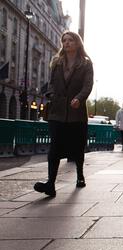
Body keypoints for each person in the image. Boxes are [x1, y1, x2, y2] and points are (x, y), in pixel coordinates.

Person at [34, 31, 94, 197]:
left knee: (78, 146)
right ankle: (50, 185)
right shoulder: (57, 62)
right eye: (64, 40)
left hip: (77, 113)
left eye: (70, 40)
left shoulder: (86, 64)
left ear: (77, 43)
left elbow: (87, 86)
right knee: (54, 148)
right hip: (57, 112)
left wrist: (79, 98)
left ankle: (80, 176)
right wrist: (51, 95)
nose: (66, 43)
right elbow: (51, 84)